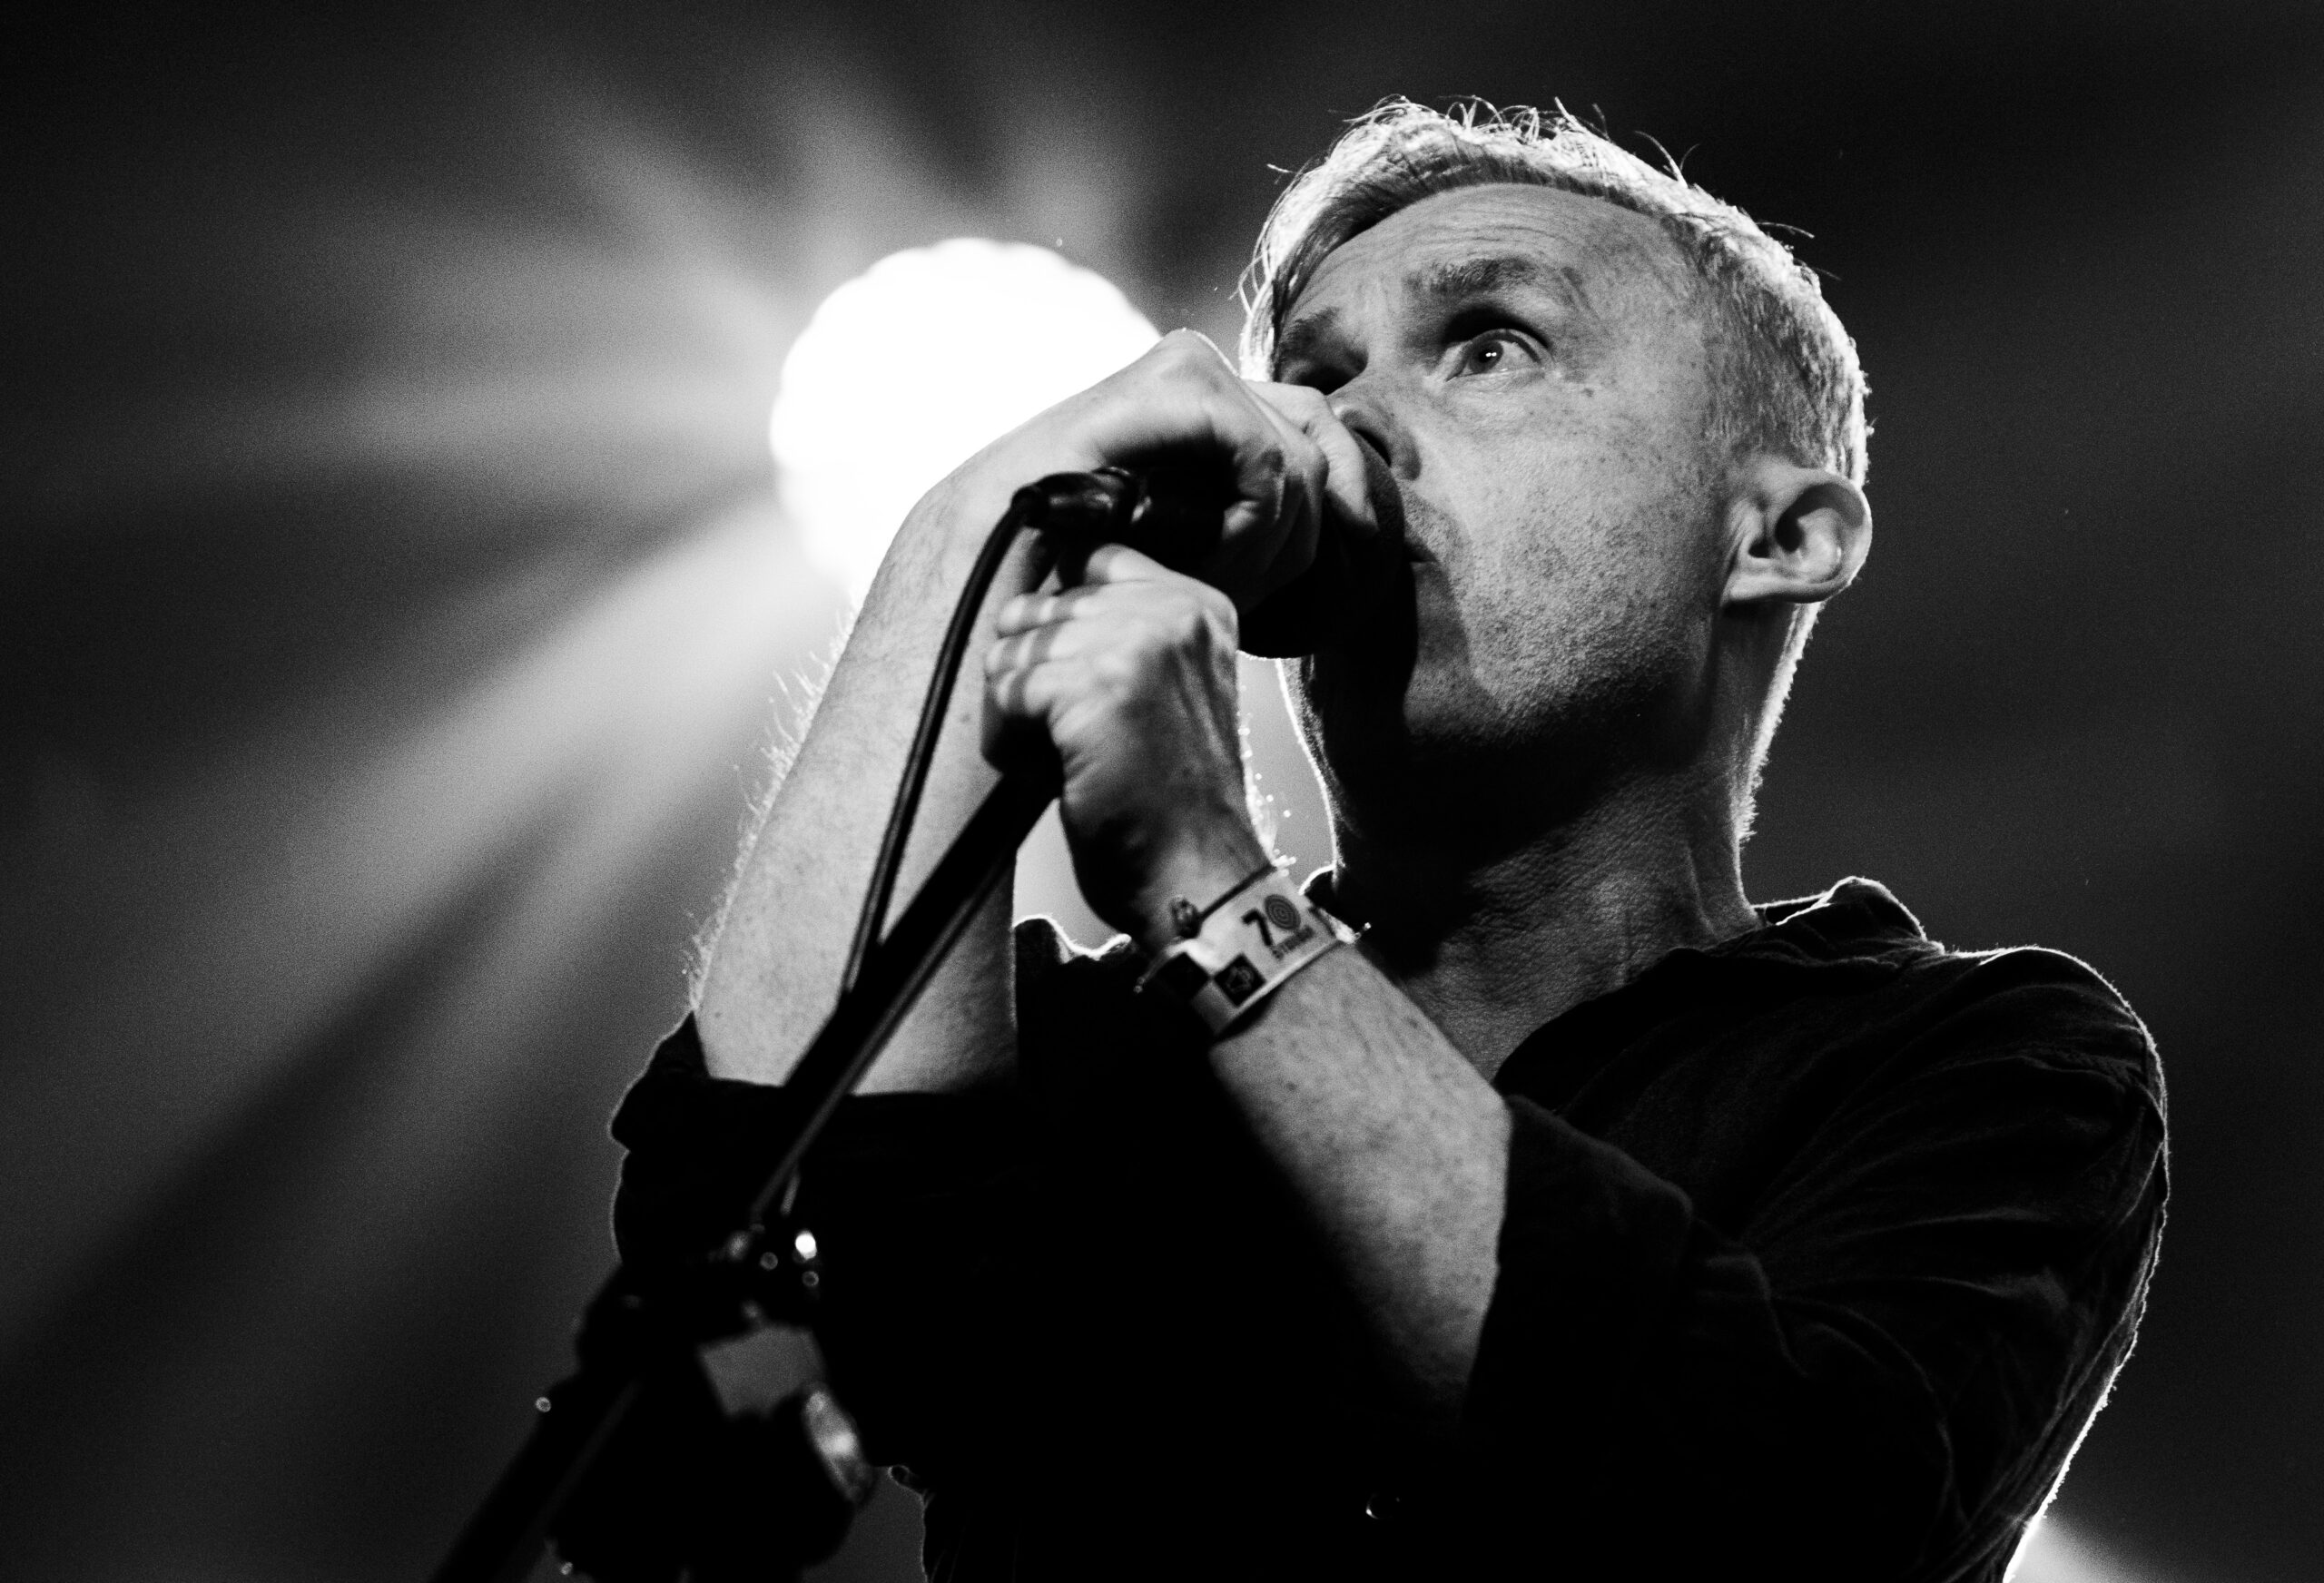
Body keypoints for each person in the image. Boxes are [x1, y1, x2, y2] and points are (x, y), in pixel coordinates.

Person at [609, 103, 2167, 1579]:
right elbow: (751, 1230)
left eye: (1490, 343)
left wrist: (1216, 894)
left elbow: (1761, 1519)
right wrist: (987, 520)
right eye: (1313, 374)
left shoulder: (1990, 1064)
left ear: (1780, 536)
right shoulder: (1105, 1064)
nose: (1343, 425)